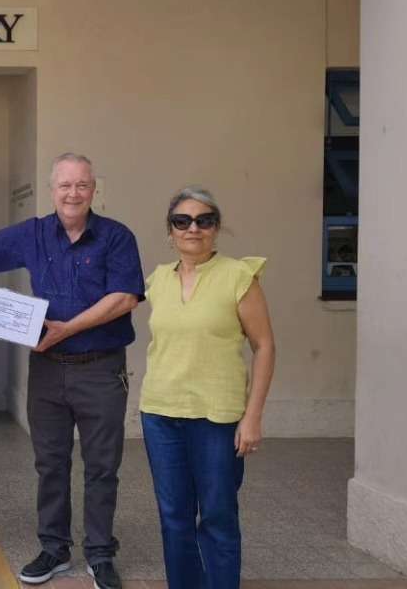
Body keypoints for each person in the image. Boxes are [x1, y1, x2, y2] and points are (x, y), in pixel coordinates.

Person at [0, 153, 144, 589]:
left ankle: (100, 553)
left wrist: (68, 329)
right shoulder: (32, 234)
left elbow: (125, 298)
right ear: (52, 190)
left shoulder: (116, 237)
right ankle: (54, 548)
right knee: (50, 463)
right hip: (48, 370)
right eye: (65, 185)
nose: (73, 193)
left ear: (94, 190)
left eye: (82, 185)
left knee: (101, 466)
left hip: (101, 369)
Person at [139, 187, 275, 589]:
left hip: (217, 418)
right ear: (170, 230)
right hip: (160, 414)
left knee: (217, 515)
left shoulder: (238, 276)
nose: (193, 228)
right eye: (182, 221)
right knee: (174, 518)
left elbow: (264, 346)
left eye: (204, 220)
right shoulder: (157, 280)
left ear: (217, 228)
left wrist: (253, 416)